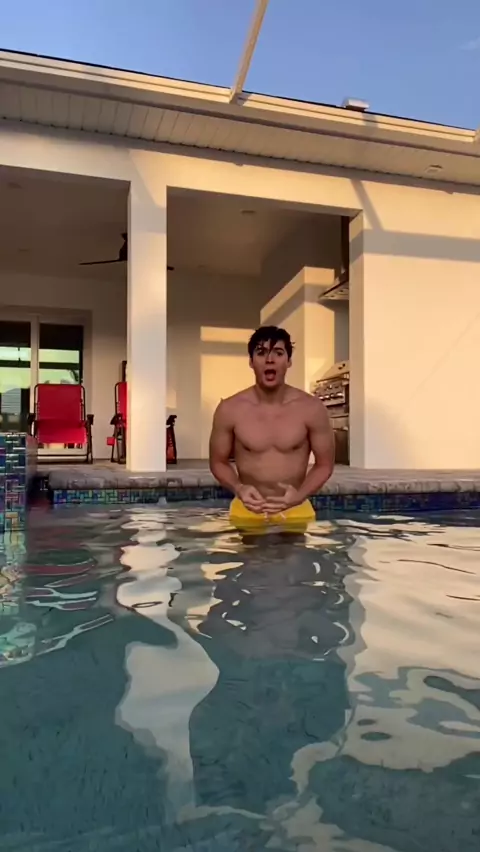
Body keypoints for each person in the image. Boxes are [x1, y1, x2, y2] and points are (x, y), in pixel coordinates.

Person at [209, 325, 334, 529]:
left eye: (278, 353)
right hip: (247, 509)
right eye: (261, 353)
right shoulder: (230, 409)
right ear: (251, 362)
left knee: (296, 551)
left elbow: (325, 464)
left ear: (289, 361)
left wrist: (299, 495)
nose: (270, 359)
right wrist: (239, 488)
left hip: (296, 508)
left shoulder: (311, 408)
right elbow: (218, 462)